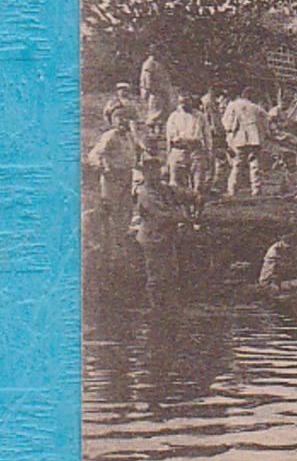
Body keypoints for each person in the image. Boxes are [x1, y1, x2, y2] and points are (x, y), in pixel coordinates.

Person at [132, 156, 186, 305]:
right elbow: (162, 214)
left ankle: (168, 306)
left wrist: (196, 197)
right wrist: (184, 218)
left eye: (157, 170)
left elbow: (180, 193)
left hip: (166, 237)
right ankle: (156, 308)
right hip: (152, 238)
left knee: (170, 273)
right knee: (156, 276)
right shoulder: (146, 193)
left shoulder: (163, 188)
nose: (155, 174)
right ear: (145, 174)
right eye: (151, 171)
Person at [86, 114, 137, 235]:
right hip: (113, 177)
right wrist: (106, 168)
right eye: (119, 118)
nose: (122, 121)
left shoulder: (128, 137)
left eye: (125, 119)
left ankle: (122, 234)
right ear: (114, 120)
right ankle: (110, 235)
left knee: (125, 207)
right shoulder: (110, 136)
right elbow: (97, 154)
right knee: (111, 206)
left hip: (126, 175)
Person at [221, 85, 268, 199]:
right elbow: (265, 124)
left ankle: (232, 190)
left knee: (237, 164)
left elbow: (227, 124)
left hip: (240, 138)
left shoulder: (233, 105)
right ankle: (256, 189)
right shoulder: (257, 108)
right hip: (255, 138)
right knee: (254, 164)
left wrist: (230, 133)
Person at [162, 95, 208, 195]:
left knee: (198, 183)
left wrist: (208, 152)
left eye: (187, 102)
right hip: (179, 150)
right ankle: (182, 208)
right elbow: (170, 138)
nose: (184, 104)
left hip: (196, 150)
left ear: (191, 102)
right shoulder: (174, 116)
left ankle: (196, 207)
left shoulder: (200, 116)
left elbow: (207, 136)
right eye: (182, 102)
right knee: (176, 184)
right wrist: (169, 157)